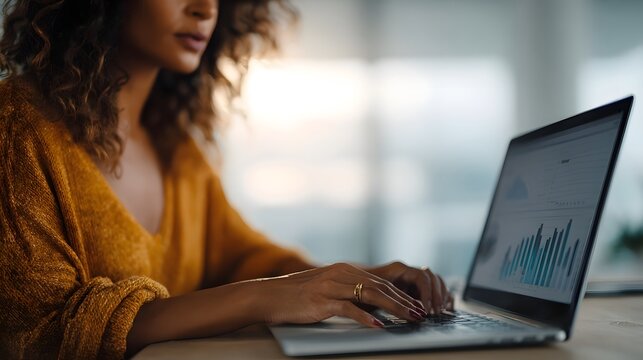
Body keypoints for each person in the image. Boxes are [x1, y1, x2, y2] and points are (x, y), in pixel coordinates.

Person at [0, 0, 453, 358]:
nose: (205, 8)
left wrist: (360, 284)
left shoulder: (178, 148)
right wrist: (260, 299)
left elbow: (243, 257)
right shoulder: (17, 127)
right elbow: (44, 334)